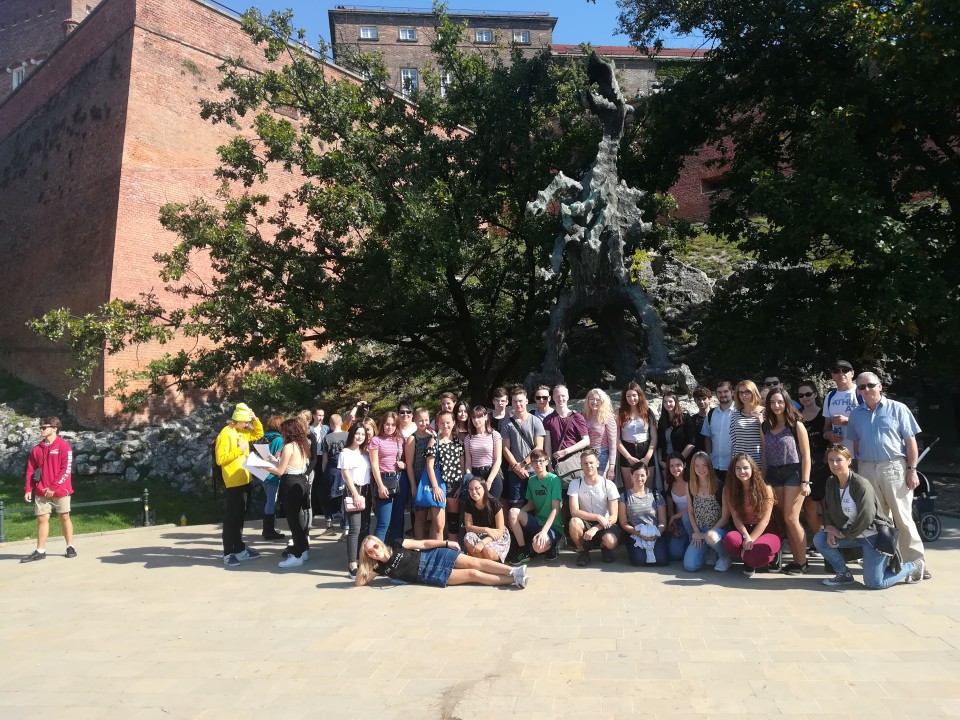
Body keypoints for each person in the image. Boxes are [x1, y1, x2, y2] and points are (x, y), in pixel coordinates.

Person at [846, 371, 930, 580]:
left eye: (870, 385)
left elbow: (910, 442)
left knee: (903, 518)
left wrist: (912, 470)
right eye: (861, 387)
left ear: (880, 386)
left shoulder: (898, 408)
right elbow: (856, 444)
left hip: (893, 467)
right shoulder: (855, 415)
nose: (866, 389)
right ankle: (889, 563)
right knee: (879, 520)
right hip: (867, 468)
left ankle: (916, 565)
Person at [814, 445, 923, 588]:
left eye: (839, 460)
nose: (834, 464)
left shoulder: (860, 484)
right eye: (830, 460)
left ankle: (913, 566)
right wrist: (829, 528)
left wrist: (842, 534)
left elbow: (867, 517)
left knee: (875, 583)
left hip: (872, 537)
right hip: (851, 535)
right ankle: (843, 574)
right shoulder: (831, 482)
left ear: (849, 461)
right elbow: (828, 509)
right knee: (820, 539)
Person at [762, 388, 811, 574]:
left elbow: (806, 455)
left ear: (786, 403)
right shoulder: (765, 426)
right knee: (783, 519)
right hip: (773, 474)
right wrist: (763, 478)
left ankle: (802, 561)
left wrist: (805, 481)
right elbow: (765, 454)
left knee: (792, 518)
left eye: (780, 402)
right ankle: (795, 560)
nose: (776, 406)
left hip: (793, 472)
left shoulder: (796, 425)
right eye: (772, 402)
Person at [355, 535, 528, 589]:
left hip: (432, 556)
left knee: (475, 562)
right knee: (473, 574)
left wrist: (446, 543)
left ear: (380, 543)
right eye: (370, 552)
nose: (375, 551)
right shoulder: (379, 568)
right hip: (428, 574)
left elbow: (422, 544)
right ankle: (515, 580)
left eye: (375, 546)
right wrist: (364, 562)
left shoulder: (396, 544)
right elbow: (359, 582)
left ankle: (513, 570)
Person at [20, 417, 76, 563]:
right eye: (41, 427)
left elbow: (66, 469)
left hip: (61, 490)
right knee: (41, 519)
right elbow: (30, 470)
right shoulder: (36, 449)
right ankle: (40, 550)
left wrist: (53, 487)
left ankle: (70, 547)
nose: (41, 430)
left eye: (44, 427)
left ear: (54, 428)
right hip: (41, 490)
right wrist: (28, 489)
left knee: (64, 516)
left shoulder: (64, 447)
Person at [215, 403, 263, 567]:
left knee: (241, 516)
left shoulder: (242, 431)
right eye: (245, 421)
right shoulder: (226, 433)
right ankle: (228, 553)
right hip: (233, 481)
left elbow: (258, 433)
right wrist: (239, 450)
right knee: (232, 518)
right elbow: (220, 459)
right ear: (238, 419)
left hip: (245, 478)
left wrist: (255, 419)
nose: (247, 424)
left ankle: (239, 549)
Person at [721, 454, 780, 576]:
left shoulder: (766, 489)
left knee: (755, 555)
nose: (742, 471)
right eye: (738, 468)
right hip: (744, 529)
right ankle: (748, 557)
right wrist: (746, 536)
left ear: (753, 469)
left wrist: (750, 539)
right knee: (730, 540)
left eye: (745, 468)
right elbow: (735, 517)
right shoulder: (729, 490)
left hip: (765, 530)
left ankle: (773, 556)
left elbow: (765, 520)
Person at [265, 418, 311, 568]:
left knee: (293, 521)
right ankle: (303, 550)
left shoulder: (289, 446)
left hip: (290, 483)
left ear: (288, 432)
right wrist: (274, 460)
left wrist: (262, 466)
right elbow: (290, 464)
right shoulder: (301, 444)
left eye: (283, 431)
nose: (281, 434)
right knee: (299, 519)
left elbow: (280, 471)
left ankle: (297, 555)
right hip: (300, 481)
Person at [506, 449, 561, 564]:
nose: (538, 464)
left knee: (538, 547)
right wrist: (515, 517)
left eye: (541, 461)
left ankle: (553, 545)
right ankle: (524, 551)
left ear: (546, 462)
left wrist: (544, 531)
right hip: (537, 522)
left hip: (552, 527)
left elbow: (555, 508)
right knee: (513, 512)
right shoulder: (531, 481)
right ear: (531, 464)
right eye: (535, 461)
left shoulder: (554, 479)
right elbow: (530, 504)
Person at [568, 448, 621, 566]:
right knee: (574, 522)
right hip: (586, 522)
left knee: (611, 541)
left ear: (597, 463)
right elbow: (574, 511)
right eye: (585, 463)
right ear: (581, 465)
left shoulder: (609, 484)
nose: (589, 466)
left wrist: (596, 527)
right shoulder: (575, 484)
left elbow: (614, 516)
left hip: (605, 523)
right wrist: (597, 517)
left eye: (591, 462)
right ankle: (583, 551)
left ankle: (605, 547)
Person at [682, 451, 731, 572]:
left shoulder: (720, 487)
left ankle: (724, 557)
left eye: (704, 465)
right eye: (697, 466)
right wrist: (696, 532)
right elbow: (690, 512)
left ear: (709, 466)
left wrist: (707, 534)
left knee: (711, 536)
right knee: (690, 566)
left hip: (717, 530)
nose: (701, 469)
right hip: (700, 528)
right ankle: (707, 549)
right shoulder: (690, 486)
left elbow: (725, 518)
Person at [501, 387, 546, 508]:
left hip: (534, 468)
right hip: (514, 470)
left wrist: (522, 464)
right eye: (515, 401)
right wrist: (516, 467)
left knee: (538, 504)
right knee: (516, 504)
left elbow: (539, 446)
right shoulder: (506, 423)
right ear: (511, 402)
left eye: (520, 401)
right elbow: (505, 448)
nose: (518, 404)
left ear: (526, 401)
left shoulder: (536, 421)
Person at [617, 464, 668, 566]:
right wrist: (639, 534)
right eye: (636, 475)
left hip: (654, 532)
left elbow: (662, 521)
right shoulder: (625, 497)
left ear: (647, 476)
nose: (639, 478)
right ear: (631, 476)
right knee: (639, 561)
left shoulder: (656, 495)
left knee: (662, 560)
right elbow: (624, 523)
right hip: (635, 534)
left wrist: (656, 534)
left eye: (642, 475)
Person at [425, 410, 465, 542]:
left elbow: (462, 466)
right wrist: (435, 487)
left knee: (453, 523)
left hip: (455, 486)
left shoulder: (458, 442)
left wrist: (460, 485)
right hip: (439, 485)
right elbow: (429, 466)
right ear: (438, 424)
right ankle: (436, 551)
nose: (445, 425)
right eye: (442, 423)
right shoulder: (433, 441)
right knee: (439, 525)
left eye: (448, 422)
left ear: (453, 423)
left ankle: (452, 551)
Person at [339, 423, 372, 578]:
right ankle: (352, 564)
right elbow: (346, 475)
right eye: (357, 433)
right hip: (354, 491)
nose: (360, 437)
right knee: (355, 529)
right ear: (352, 434)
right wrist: (355, 494)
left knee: (365, 528)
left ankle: (362, 559)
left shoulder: (365, 453)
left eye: (363, 434)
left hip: (367, 491)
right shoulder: (345, 452)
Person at [797, 379, 827, 546]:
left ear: (815, 394)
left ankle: (832, 542)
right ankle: (818, 542)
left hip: (824, 465)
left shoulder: (824, 414)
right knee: (810, 509)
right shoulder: (796, 416)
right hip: (805, 466)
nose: (805, 398)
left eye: (808, 394)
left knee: (828, 508)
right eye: (801, 395)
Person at [368, 412, 405, 541]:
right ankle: (375, 552)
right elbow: (374, 464)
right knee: (383, 523)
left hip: (399, 479)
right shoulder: (376, 440)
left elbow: (405, 460)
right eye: (387, 424)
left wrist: (404, 465)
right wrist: (379, 485)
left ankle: (394, 550)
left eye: (393, 425)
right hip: (384, 480)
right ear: (382, 425)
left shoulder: (400, 440)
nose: (390, 427)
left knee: (398, 520)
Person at [543, 384, 590, 483]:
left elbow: (586, 441)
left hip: (577, 464)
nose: (560, 399)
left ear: (568, 397)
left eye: (563, 396)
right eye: (557, 396)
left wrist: (565, 451)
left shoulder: (577, 417)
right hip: (559, 466)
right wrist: (550, 468)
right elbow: (548, 445)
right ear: (553, 398)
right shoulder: (548, 420)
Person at [386, 401, 418, 543]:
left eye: (408, 412)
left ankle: (416, 540)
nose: (405, 414)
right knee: (397, 511)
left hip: (418, 472)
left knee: (417, 509)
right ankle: (396, 541)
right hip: (399, 474)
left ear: (412, 414)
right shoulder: (394, 429)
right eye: (402, 412)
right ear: (398, 414)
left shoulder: (419, 427)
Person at [616, 382, 657, 490]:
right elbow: (617, 439)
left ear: (639, 395)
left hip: (645, 450)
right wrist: (628, 457)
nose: (632, 399)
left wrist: (647, 457)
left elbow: (654, 437)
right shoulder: (619, 413)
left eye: (634, 395)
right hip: (627, 451)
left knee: (648, 487)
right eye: (628, 396)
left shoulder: (648, 412)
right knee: (629, 488)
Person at [462, 477, 511, 562]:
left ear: (484, 488)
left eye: (477, 488)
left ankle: (490, 564)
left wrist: (483, 542)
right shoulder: (469, 503)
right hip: (480, 533)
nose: (474, 492)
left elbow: (500, 531)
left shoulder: (494, 503)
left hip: (496, 536)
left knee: (486, 550)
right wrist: (485, 529)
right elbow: (468, 527)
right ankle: (481, 564)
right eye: (471, 489)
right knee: (468, 538)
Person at [405, 407, 436, 540]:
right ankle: (419, 546)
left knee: (434, 517)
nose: (424, 423)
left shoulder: (433, 436)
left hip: (433, 479)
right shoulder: (412, 438)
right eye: (420, 421)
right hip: (419, 480)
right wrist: (413, 485)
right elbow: (409, 464)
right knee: (420, 517)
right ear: (415, 421)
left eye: (426, 420)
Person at [463, 406, 504, 500]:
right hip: (476, 474)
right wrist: (470, 478)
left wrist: (489, 481)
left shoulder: (494, 435)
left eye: (479, 417)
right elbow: (468, 462)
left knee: (493, 504)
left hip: (492, 473)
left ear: (485, 417)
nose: (476, 420)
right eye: (473, 417)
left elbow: (498, 460)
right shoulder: (468, 438)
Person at [319, 414, 347, 533]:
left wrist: (324, 471)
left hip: (332, 469)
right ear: (341, 423)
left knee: (328, 497)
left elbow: (324, 459)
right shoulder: (348, 435)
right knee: (345, 497)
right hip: (345, 469)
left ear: (330, 425)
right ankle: (346, 526)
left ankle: (329, 524)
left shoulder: (327, 438)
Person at [656, 391, 696, 475]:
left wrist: (679, 460)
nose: (668, 404)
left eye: (670, 401)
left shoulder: (685, 418)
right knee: (667, 482)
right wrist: (660, 460)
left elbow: (691, 443)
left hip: (682, 460)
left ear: (676, 402)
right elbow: (659, 443)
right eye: (665, 402)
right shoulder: (662, 421)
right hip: (665, 461)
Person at [823, 360, 860, 450]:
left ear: (852, 373)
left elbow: (872, 421)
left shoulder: (861, 392)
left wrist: (848, 421)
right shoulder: (830, 396)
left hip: (861, 451)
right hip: (839, 452)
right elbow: (826, 426)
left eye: (845, 370)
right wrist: (828, 435)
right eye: (837, 371)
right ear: (832, 375)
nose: (841, 374)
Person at [259, 415, 286, 541]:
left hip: (262, 473)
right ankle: (268, 530)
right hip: (273, 474)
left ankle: (269, 528)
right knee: (271, 502)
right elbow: (278, 457)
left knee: (268, 501)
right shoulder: (279, 439)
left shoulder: (264, 437)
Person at [583, 388, 618, 481]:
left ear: (603, 401)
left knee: (600, 483)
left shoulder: (608, 417)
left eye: (598, 400)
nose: (595, 402)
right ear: (587, 400)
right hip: (586, 453)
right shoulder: (584, 416)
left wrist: (612, 466)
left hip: (602, 454)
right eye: (592, 399)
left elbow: (613, 443)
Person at [701, 380, 735, 473]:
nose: (722, 394)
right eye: (719, 392)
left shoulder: (740, 412)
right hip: (714, 464)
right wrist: (709, 456)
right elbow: (707, 437)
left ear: (732, 393)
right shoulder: (711, 413)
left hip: (734, 466)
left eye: (725, 391)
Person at [663, 453, 691, 561]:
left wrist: (674, 516)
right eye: (671, 466)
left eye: (678, 465)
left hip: (694, 521)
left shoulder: (691, 481)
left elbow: (694, 506)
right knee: (675, 554)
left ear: (684, 465)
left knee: (686, 517)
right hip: (680, 522)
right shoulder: (668, 483)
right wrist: (674, 526)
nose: (675, 469)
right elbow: (670, 509)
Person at [729, 380, 764, 465]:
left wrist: (761, 423)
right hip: (739, 464)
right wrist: (731, 464)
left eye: (747, 392)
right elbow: (734, 443)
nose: (743, 395)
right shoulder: (735, 415)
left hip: (757, 463)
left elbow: (768, 441)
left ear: (754, 392)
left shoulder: (764, 413)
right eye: (741, 393)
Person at [692, 386, 712, 453]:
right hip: (698, 454)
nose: (701, 402)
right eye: (698, 399)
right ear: (695, 400)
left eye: (704, 398)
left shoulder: (716, 416)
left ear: (709, 399)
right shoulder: (692, 420)